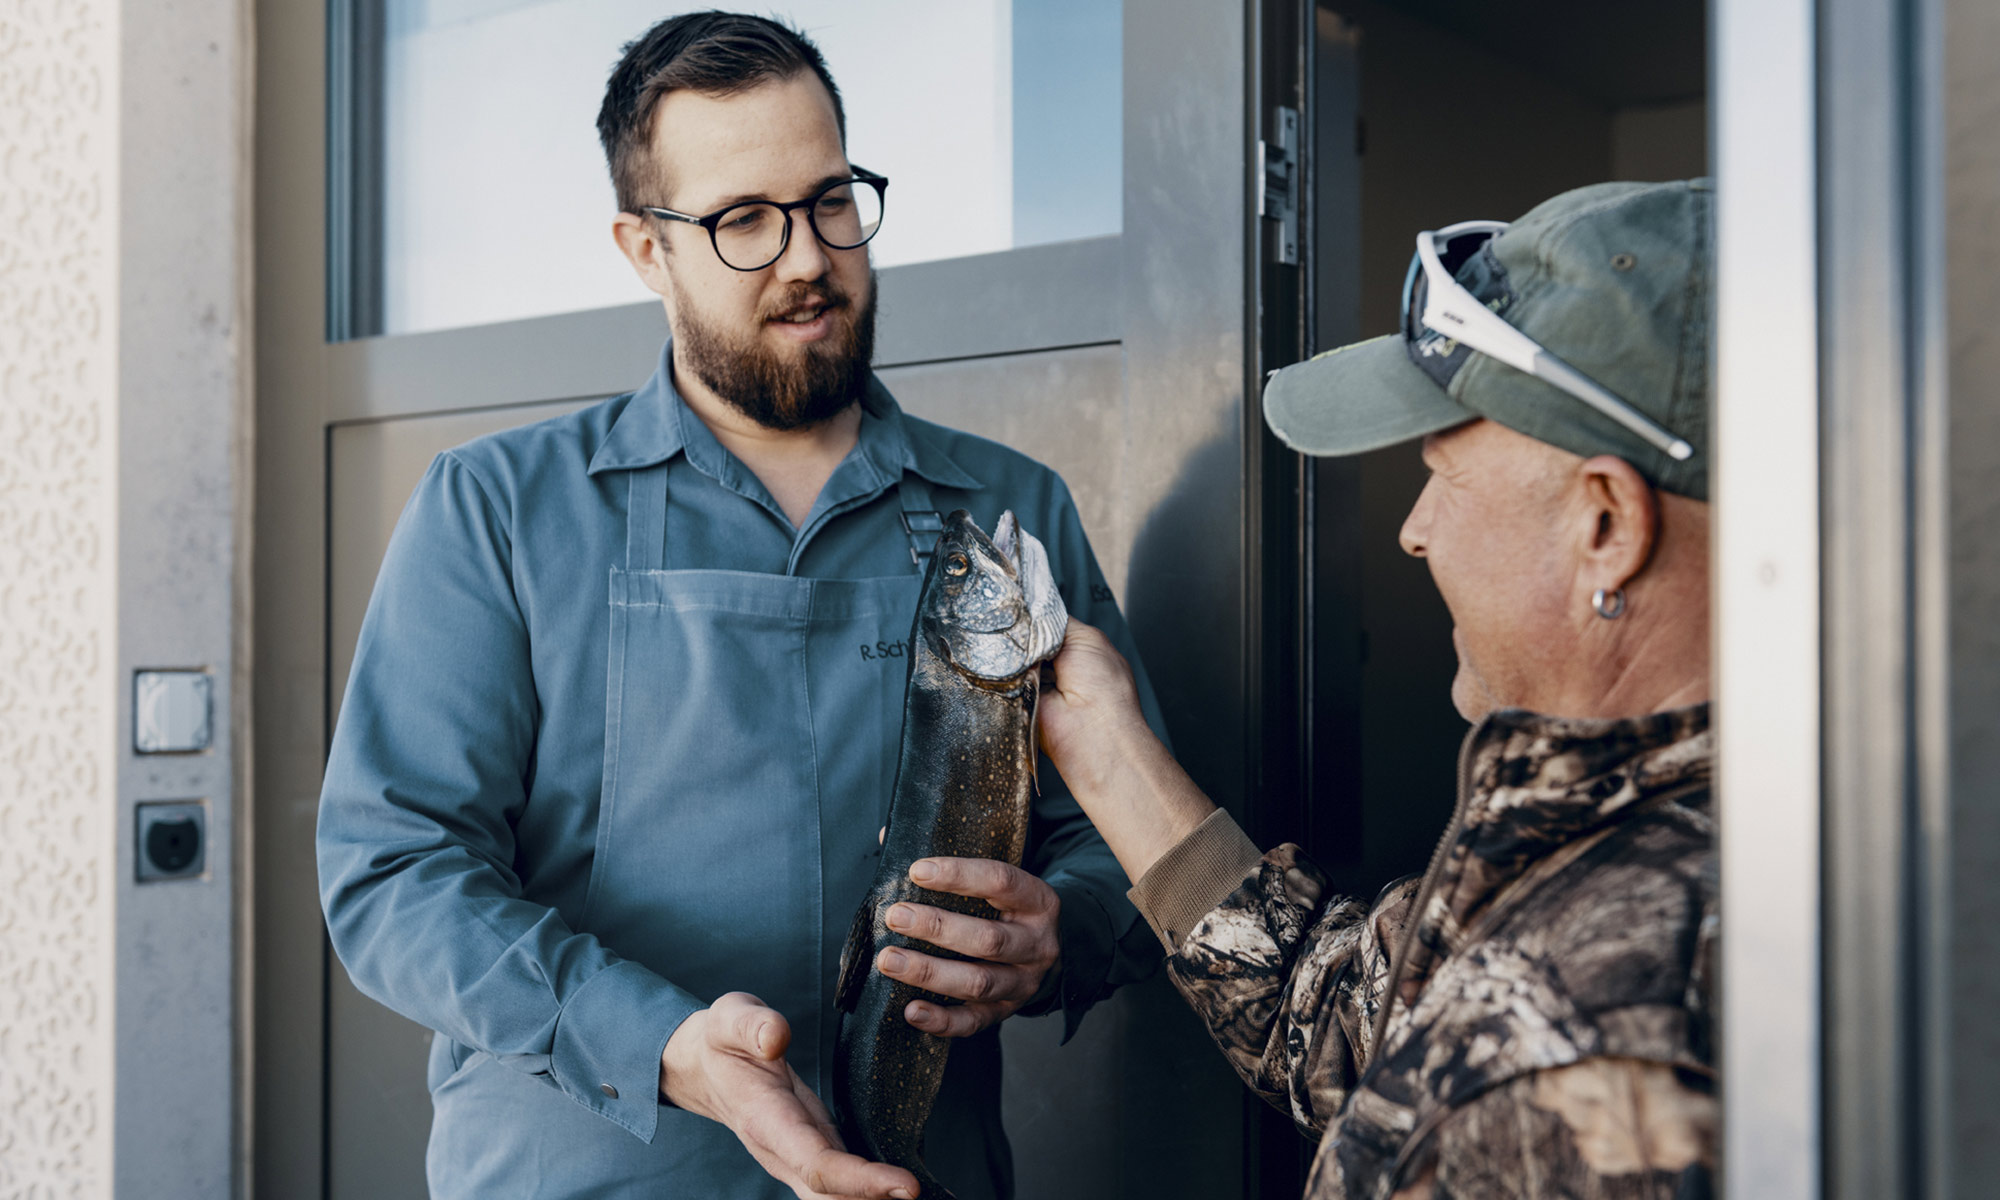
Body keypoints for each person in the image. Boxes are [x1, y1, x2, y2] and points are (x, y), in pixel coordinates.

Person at [315, 14, 1163, 1200]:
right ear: (643, 249)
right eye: (742, 220)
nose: (808, 256)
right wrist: (662, 1046)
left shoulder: (1008, 515)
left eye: (829, 201)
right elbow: (393, 874)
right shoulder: (496, 509)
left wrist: (1056, 935)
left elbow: (1133, 856)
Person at [959, 179, 1720, 1197]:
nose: (1413, 529)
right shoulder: (1644, 840)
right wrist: (1103, 747)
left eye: (1443, 475)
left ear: (1603, 528)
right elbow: (1344, 1024)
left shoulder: (1592, 1046)